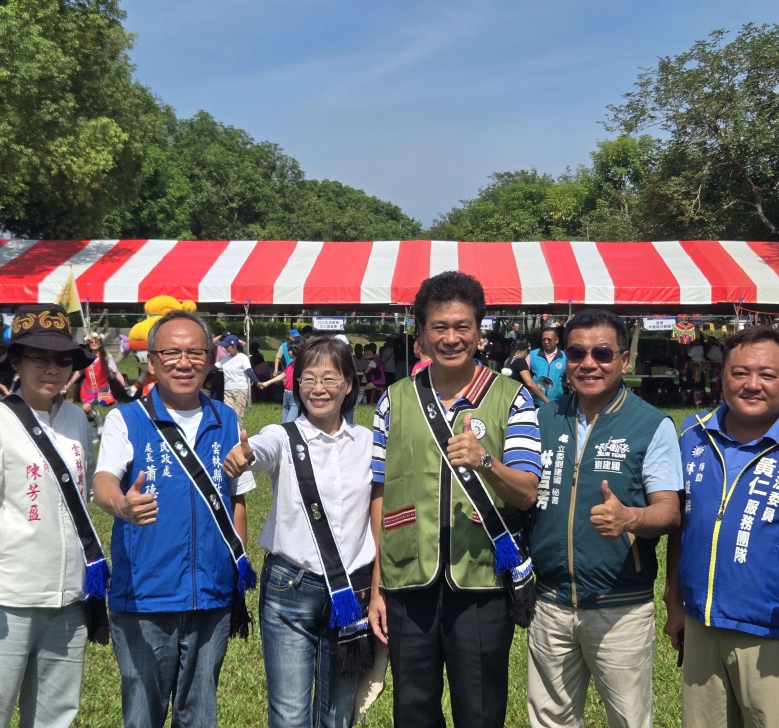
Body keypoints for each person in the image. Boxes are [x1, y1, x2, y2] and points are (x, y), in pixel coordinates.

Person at [368, 271, 541, 728]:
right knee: (413, 710)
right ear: (421, 333)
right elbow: (380, 493)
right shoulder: (393, 401)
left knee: (480, 710)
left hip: (481, 580)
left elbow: (527, 493)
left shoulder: (512, 399)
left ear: (479, 332)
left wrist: (487, 462)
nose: (450, 338)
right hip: (408, 579)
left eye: (462, 326)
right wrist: (377, 584)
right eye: (439, 327)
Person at [665, 325, 779, 728]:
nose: (752, 385)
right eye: (739, 373)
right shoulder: (692, 436)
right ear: (722, 376)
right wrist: (674, 600)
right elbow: (683, 526)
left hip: (773, 634)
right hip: (701, 623)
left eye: (767, 375)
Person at [92, 310, 256, 728]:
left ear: (210, 359)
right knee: (142, 713)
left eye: (195, 352)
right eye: (171, 353)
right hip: (146, 596)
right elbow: (103, 482)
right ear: (151, 361)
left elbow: (237, 499)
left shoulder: (226, 419)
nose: (184, 362)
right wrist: (123, 506)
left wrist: (236, 572)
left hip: (211, 596)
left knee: (200, 711)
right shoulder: (126, 419)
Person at [527, 308, 683, 728]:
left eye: (602, 353)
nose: (588, 364)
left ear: (624, 360)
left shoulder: (651, 425)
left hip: (620, 607)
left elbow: (670, 512)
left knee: (629, 719)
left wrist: (629, 518)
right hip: (550, 602)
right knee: (550, 720)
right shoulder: (543, 418)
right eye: (577, 353)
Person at [0, 304, 99, 728]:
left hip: (68, 597)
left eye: (62, 359)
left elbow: (83, 494)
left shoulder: (77, 420)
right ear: (16, 362)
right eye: (38, 357)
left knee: (56, 715)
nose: (52, 369)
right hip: (7, 598)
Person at [224, 337, 374, 728]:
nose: (318, 389)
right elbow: (261, 449)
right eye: (308, 379)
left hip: (352, 593)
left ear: (348, 384)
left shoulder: (368, 443)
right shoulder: (281, 435)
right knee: (290, 715)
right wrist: (245, 455)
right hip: (290, 588)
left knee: (338, 714)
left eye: (329, 378)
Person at [65, 332, 126, 406]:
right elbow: (80, 371)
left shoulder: (106, 356)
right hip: (87, 391)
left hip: (103, 390)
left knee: (104, 403)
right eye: (91, 342)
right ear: (89, 344)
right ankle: (91, 403)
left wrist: (126, 386)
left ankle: (100, 400)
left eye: (96, 342)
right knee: (87, 404)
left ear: (100, 344)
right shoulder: (86, 356)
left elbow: (116, 373)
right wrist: (69, 384)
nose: (94, 344)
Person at [215, 335, 259, 427]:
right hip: (228, 390)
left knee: (238, 416)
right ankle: (230, 433)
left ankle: (238, 434)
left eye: (227, 347)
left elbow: (249, 371)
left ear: (234, 346)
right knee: (228, 414)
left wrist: (257, 382)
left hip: (240, 390)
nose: (225, 349)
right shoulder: (225, 359)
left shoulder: (242, 357)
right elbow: (214, 367)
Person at [527, 326, 567, 406]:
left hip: (557, 402)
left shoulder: (565, 357)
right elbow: (526, 376)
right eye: (543, 339)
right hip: (535, 402)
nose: (546, 342)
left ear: (557, 340)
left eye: (549, 339)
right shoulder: (532, 355)